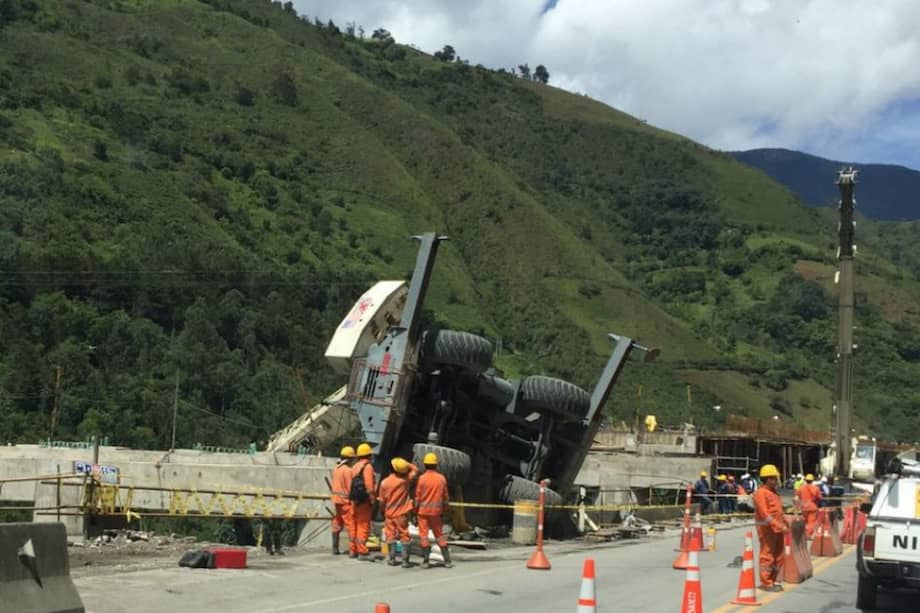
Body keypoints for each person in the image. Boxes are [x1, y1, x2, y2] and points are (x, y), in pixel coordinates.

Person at [752, 464, 788, 592]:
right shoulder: (760, 493)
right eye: (774, 478)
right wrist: (778, 525)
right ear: (767, 479)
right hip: (767, 530)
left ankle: (773, 580)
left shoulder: (773, 492)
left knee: (778, 556)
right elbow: (765, 514)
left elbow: (777, 511)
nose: (776, 480)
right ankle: (766, 582)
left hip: (777, 530)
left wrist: (785, 523)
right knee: (767, 556)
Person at [377, 457, 418, 567]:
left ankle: (392, 558)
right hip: (401, 514)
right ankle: (405, 560)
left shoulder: (385, 483)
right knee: (404, 535)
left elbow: (382, 501)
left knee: (390, 535)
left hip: (389, 513)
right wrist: (406, 464)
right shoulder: (405, 481)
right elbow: (415, 469)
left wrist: (382, 511)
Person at [415, 452, 452, 568]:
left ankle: (426, 561)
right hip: (436, 513)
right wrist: (445, 511)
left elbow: (417, 497)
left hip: (423, 512)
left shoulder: (421, 479)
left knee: (424, 536)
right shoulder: (441, 479)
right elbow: (446, 498)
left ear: (425, 465)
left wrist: (414, 511)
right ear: (436, 465)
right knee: (439, 535)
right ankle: (447, 561)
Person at [348, 443, 377, 560]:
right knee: (363, 525)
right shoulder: (368, 467)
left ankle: (352, 550)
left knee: (353, 525)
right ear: (369, 455)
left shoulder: (354, 467)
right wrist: (372, 499)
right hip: (364, 501)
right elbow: (369, 486)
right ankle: (362, 552)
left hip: (354, 500)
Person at [330, 445, 355, 555]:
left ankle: (335, 548)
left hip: (336, 501)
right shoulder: (348, 471)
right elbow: (350, 488)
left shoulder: (336, 468)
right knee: (350, 525)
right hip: (345, 502)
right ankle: (353, 551)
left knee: (337, 523)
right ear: (350, 459)